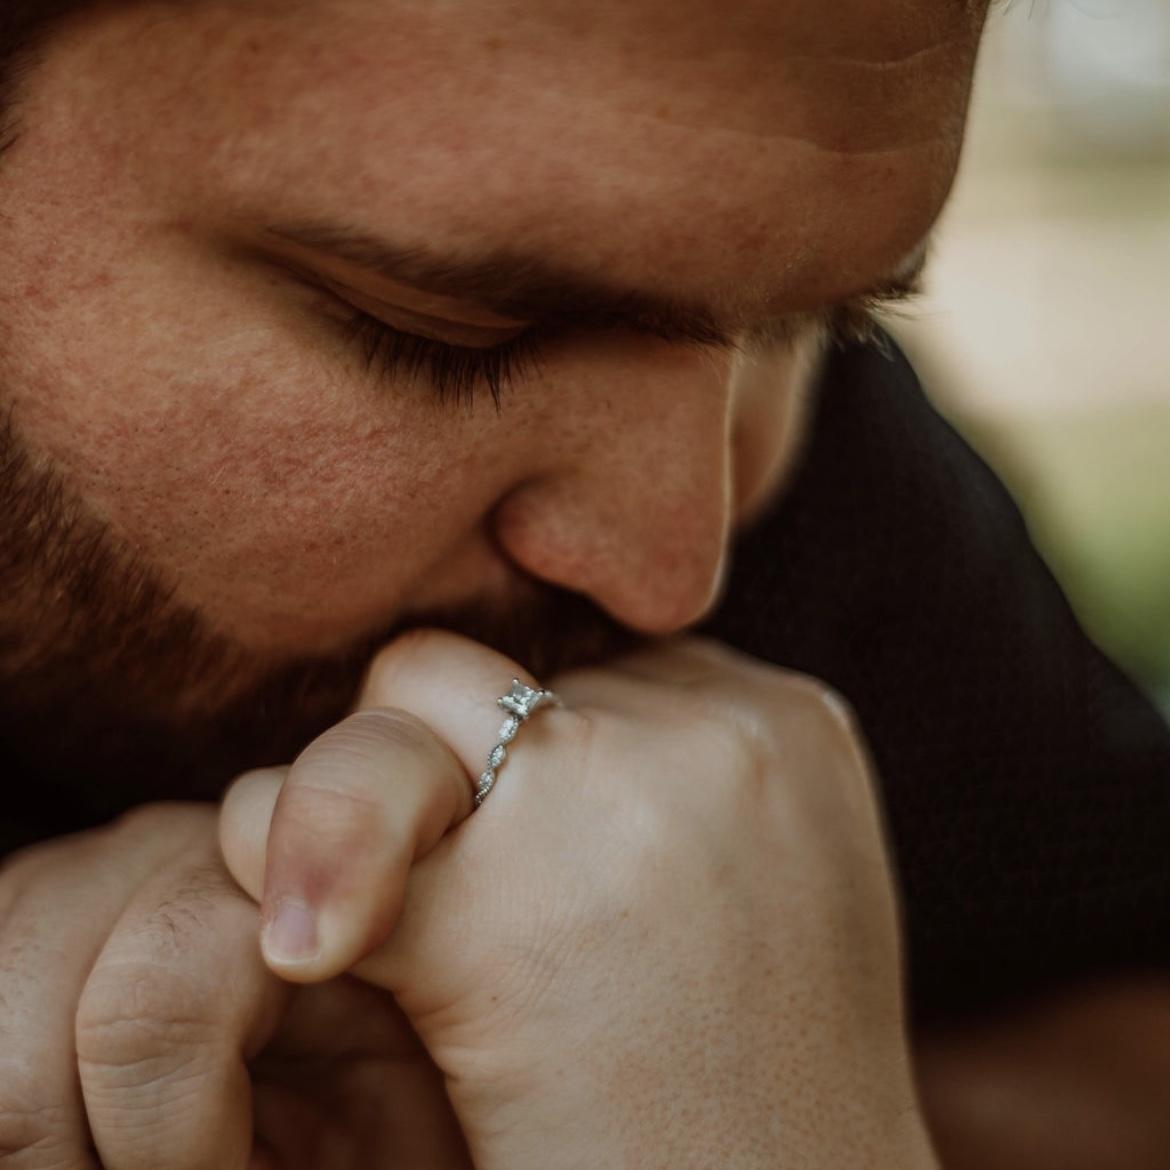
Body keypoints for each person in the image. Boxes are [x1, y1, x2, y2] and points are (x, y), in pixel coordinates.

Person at [2, 1, 1169, 1167]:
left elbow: (1125, 1044)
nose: (676, 578)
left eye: (817, 325)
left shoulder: (766, 383)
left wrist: (671, 1109)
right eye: (442, 333)